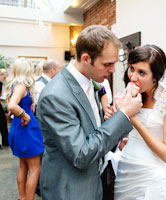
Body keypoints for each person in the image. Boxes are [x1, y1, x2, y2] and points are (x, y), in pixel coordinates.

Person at [36, 25, 142, 200]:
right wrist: (123, 114)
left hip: (93, 181)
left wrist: (113, 122)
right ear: (86, 58)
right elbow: (81, 155)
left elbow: (93, 132)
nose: (113, 70)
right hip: (70, 190)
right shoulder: (56, 95)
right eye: (107, 64)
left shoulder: (88, 83)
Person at [111, 44, 166, 199]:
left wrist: (134, 120)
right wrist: (116, 118)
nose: (133, 77)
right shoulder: (133, 92)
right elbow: (128, 131)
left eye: (142, 72)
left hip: (150, 174)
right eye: (131, 69)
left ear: (155, 76)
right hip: (126, 168)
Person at [5, 58, 44, 200]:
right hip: (25, 128)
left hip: (19, 128)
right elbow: (11, 105)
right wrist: (25, 116)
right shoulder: (21, 86)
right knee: (35, 169)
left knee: (24, 165)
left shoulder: (16, 85)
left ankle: (23, 198)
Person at [0, 68, 9, 149]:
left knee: (3, 123)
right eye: (4, 77)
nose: (5, 79)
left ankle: (6, 142)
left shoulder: (1, 83)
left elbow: (2, 95)